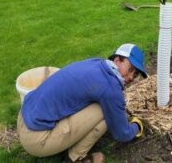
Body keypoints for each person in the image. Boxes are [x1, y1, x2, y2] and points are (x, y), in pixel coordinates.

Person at [17, 43, 148, 163]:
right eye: (130, 69)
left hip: (24, 116)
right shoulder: (110, 87)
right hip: (36, 140)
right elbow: (122, 134)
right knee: (105, 111)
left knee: (103, 105)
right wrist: (137, 126)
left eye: (135, 74)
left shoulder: (97, 63)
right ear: (117, 59)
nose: (131, 77)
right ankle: (74, 158)